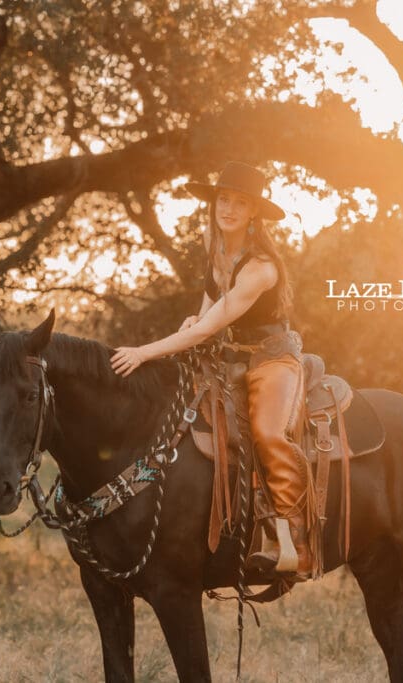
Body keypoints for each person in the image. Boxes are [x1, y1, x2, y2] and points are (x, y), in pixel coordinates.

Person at [110, 160, 314, 580]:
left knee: (269, 433)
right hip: (231, 360)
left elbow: (208, 326)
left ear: (255, 211)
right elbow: (207, 311)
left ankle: (296, 539)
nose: (230, 209)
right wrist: (194, 323)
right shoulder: (217, 248)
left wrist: (144, 352)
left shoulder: (260, 268)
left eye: (241, 202)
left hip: (272, 360)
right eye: (224, 199)